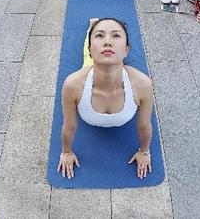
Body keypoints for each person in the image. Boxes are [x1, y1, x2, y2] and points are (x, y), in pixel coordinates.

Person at [57, 18, 154, 179]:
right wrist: (66, 151)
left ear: (126, 50)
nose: (108, 42)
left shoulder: (142, 84)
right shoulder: (73, 85)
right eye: (100, 36)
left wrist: (144, 151)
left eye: (116, 36)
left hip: (124, 69)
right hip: (89, 68)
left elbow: (144, 125)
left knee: (106, 60)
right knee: (87, 62)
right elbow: (69, 126)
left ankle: (96, 29)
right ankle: (91, 28)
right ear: (90, 48)